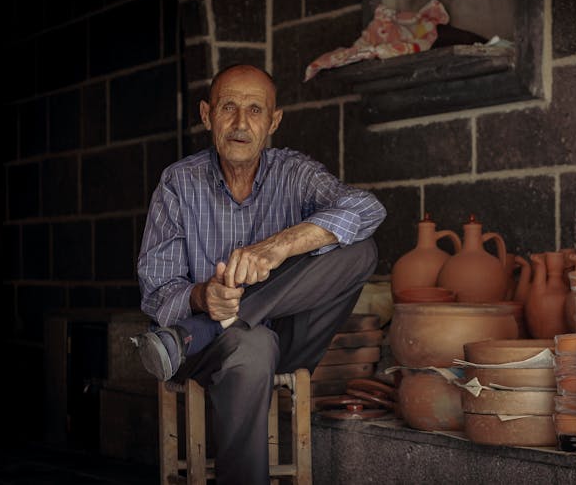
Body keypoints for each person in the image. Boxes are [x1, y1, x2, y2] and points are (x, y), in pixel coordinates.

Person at [131, 64, 386, 484]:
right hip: (208, 356)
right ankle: (210, 328)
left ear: (274, 121)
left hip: (286, 338)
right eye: (228, 107)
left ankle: (200, 328)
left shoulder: (295, 172)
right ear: (206, 114)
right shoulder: (178, 183)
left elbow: (367, 208)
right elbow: (157, 291)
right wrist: (202, 297)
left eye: (255, 110)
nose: (240, 123)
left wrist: (280, 245)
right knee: (251, 343)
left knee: (361, 248)